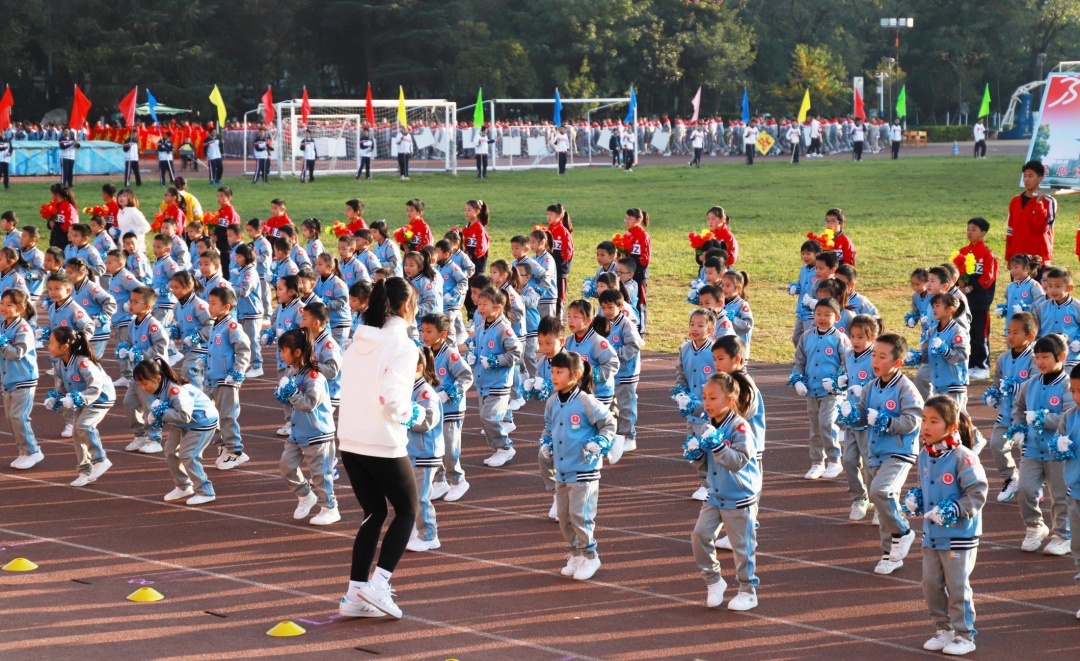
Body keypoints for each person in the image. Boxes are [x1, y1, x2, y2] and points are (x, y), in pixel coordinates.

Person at [336, 277, 421, 619]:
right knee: (408, 510)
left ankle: (355, 595)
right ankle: (379, 584)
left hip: (350, 440)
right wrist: (412, 414)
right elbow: (391, 398)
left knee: (373, 513)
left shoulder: (358, 340)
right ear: (406, 306)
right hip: (382, 441)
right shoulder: (403, 344)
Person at [907, 396, 987, 656]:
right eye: (924, 420)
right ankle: (944, 630)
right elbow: (927, 487)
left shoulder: (962, 456)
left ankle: (965, 635)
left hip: (959, 535)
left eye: (934, 421)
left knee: (956, 586)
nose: (926, 426)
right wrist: (917, 499)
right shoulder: (924, 455)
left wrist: (953, 509)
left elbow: (977, 492)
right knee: (930, 584)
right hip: (932, 534)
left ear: (952, 427)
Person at [688, 371, 761, 611]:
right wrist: (697, 455)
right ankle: (713, 580)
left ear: (729, 401)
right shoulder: (707, 426)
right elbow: (707, 465)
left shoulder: (740, 427)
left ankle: (748, 591)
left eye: (713, 398)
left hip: (739, 498)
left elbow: (738, 460)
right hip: (715, 495)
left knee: (743, 549)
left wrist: (717, 445)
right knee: (700, 536)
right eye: (705, 398)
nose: (707, 403)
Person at [857, 332, 924, 575]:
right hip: (875, 452)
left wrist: (886, 421)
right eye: (874, 355)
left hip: (899, 452)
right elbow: (861, 414)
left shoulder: (907, 388)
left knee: (880, 492)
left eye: (882, 356)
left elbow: (913, 420)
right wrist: (850, 414)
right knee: (882, 501)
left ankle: (904, 531)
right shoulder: (870, 387)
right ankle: (890, 554)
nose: (875, 360)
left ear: (897, 362)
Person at [1012, 333, 1071, 556]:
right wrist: (1018, 427)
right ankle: (1035, 526)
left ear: (1061, 356)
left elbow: (1068, 416)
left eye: (1045, 356)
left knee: (1060, 496)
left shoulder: (1067, 386)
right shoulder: (1030, 384)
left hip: (1058, 452)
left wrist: (1041, 419)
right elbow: (1017, 408)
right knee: (1025, 489)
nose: (1039, 362)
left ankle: (1063, 536)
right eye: (1037, 357)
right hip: (1032, 450)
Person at [275, 328, 340, 525]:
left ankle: (330, 507)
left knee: (320, 475)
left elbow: (310, 402)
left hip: (316, 433)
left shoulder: (314, 376)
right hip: (297, 431)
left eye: (284, 351)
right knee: (286, 467)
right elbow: (289, 397)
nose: (281, 355)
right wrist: (281, 394)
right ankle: (305, 495)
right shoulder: (291, 371)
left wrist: (292, 393)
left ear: (297, 353)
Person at [46, 326, 115, 486]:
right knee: (77, 433)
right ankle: (85, 470)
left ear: (64, 347)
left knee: (84, 425)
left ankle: (101, 459)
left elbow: (95, 386)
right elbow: (62, 389)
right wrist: (55, 399)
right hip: (81, 399)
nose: (48, 347)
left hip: (100, 398)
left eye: (51, 343)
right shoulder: (59, 365)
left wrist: (80, 398)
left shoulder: (83, 363)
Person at [791, 297, 850, 480]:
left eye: (827, 314)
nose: (822, 318)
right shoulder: (806, 336)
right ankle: (817, 462)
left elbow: (847, 364)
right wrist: (797, 381)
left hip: (832, 392)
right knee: (815, 427)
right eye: (818, 314)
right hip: (812, 390)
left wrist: (837, 381)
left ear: (837, 317)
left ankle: (834, 460)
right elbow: (799, 362)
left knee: (826, 423)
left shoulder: (840, 339)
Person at [983, 312, 1036, 504]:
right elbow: (997, 381)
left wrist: (1016, 388)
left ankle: (1034, 485)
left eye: (1016, 333)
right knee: (997, 444)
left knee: (1028, 450)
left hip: (1026, 416)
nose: (1010, 337)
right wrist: (993, 394)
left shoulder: (1033, 358)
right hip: (1006, 413)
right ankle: (1011, 477)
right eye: (1008, 332)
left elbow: (1036, 384)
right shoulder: (1003, 358)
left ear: (1030, 336)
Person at [0, 290, 42, 470]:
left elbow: (17, 353)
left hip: (23, 379)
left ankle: (33, 451)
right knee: (11, 417)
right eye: (2, 303)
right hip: (8, 378)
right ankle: (23, 451)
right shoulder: (3, 325)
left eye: (9, 305)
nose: (4, 308)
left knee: (19, 417)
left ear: (21, 308)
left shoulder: (23, 328)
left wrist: (2, 344)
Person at [953, 218, 997, 379]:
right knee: (966, 331)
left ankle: (982, 365)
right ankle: (970, 363)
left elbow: (988, 277)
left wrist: (971, 287)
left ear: (983, 233)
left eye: (974, 229)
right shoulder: (963, 251)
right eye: (968, 229)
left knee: (980, 334)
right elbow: (957, 271)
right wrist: (960, 283)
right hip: (965, 299)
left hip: (980, 300)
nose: (970, 232)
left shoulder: (987, 254)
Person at [1007, 160, 1057, 264]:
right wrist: (1009, 258)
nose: (1026, 179)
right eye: (1024, 176)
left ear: (1040, 178)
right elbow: (1010, 231)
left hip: (1038, 259)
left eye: (1030, 176)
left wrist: (1038, 204)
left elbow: (1042, 228)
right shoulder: (1015, 201)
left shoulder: (1049, 202)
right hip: (1018, 259)